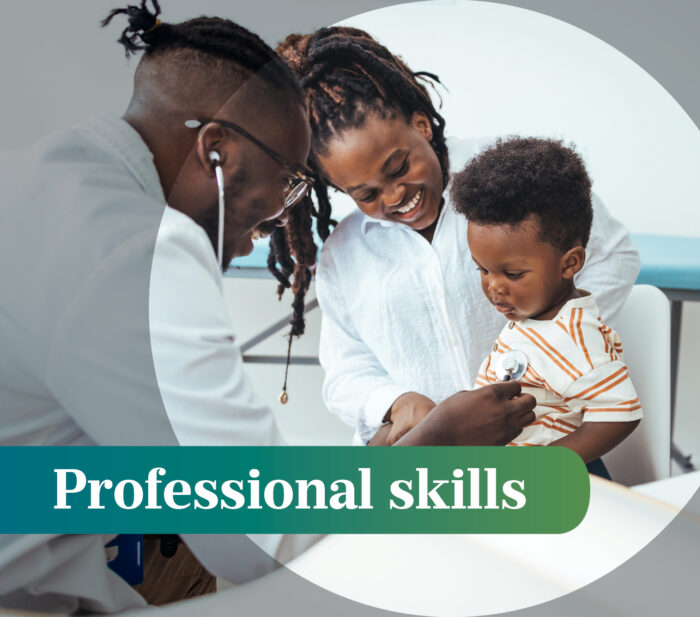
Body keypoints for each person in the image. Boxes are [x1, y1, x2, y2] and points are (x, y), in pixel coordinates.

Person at [0, 3, 534, 612]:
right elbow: (263, 538)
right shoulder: (137, 252)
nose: (274, 220)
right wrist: (431, 451)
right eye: (284, 179)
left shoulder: (30, 179)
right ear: (217, 152)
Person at [273, 27, 641, 447]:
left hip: (539, 441)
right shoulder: (345, 254)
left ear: (421, 124)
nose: (394, 197)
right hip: (434, 458)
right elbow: (345, 371)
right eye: (366, 194)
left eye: (398, 168)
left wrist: (552, 348)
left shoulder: (514, 177)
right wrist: (396, 402)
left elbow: (613, 257)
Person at [451, 137, 642, 479]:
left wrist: (545, 465)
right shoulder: (534, 315)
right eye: (483, 270)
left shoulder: (571, 336)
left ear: (570, 264)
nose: (493, 286)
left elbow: (620, 414)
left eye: (513, 274)